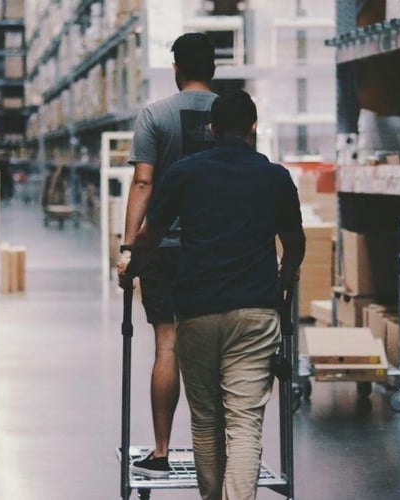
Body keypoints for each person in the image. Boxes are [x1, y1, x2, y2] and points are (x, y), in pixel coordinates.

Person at [122, 90, 306, 500]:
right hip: (256, 313)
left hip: (196, 310)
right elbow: (294, 244)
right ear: (254, 128)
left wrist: (131, 267)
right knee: (244, 423)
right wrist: (285, 273)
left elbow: (150, 236)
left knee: (206, 420)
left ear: (212, 129)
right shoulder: (275, 177)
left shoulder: (185, 173)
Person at [118, 33, 219, 478]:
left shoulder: (155, 115)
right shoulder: (232, 113)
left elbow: (143, 183)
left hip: (163, 247)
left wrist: (127, 248)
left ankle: (160, 453)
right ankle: (215, 450)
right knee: (215, 347)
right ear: (213, 68)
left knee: (167, 344)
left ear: (176, 67)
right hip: (215, 247)